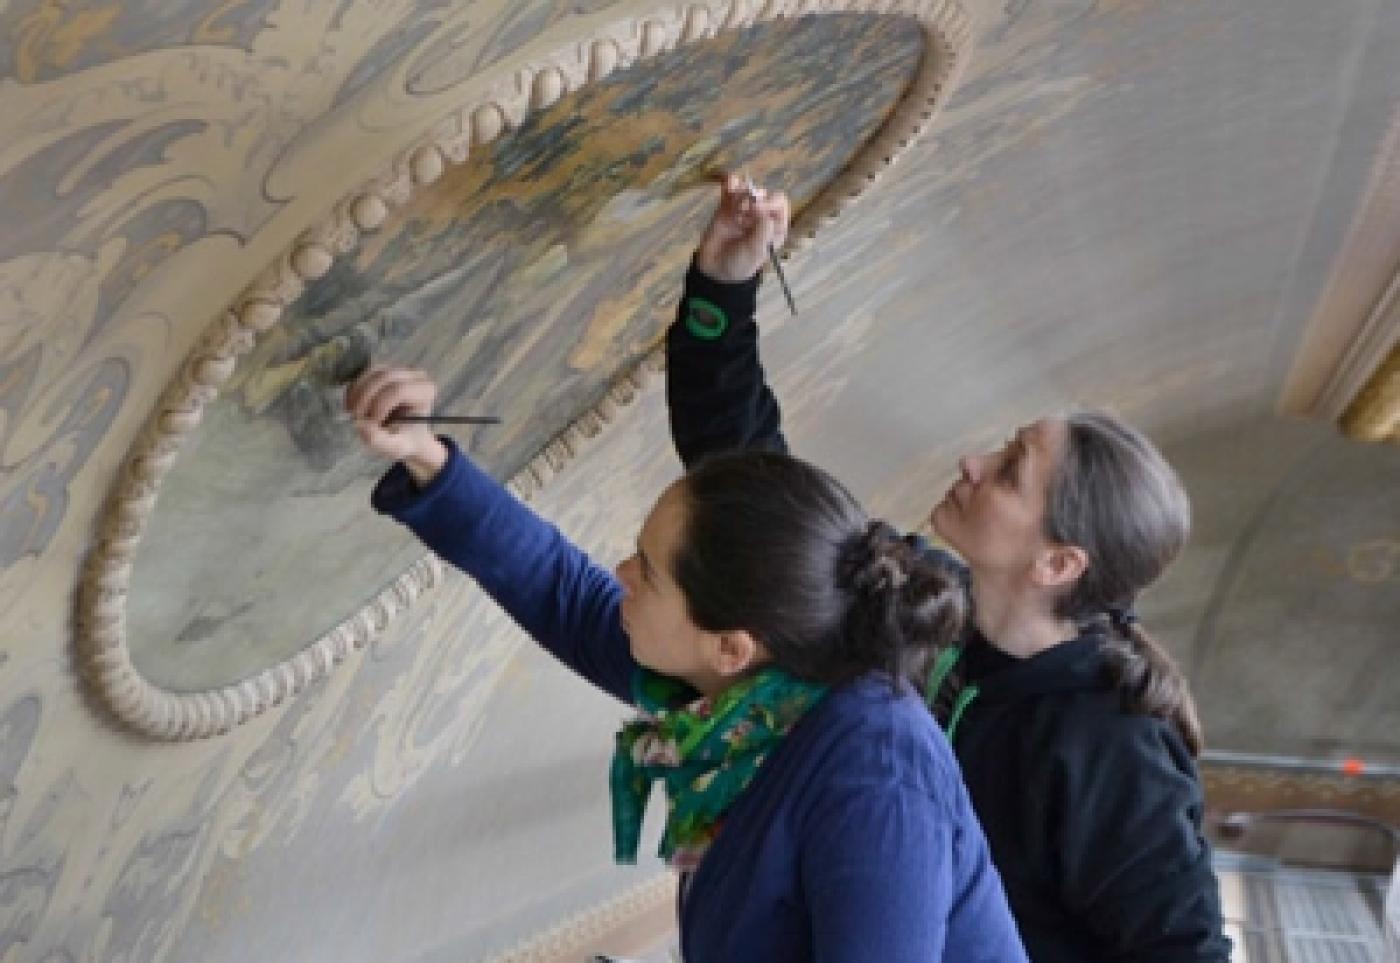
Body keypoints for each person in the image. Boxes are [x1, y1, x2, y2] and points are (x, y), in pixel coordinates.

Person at [666, 174, 1231, 961]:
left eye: (1007, 470)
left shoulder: (1113, 750)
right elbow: (762, 498)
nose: (971, 461)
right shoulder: (922, 604)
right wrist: (725, 289)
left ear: (1059, 561)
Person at [345, 367, 1028, 962]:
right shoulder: (753, 694)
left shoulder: (878, 778)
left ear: (731, 643)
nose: (619, 576)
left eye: (646, 572)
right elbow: (568, 596)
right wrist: (427, 459)